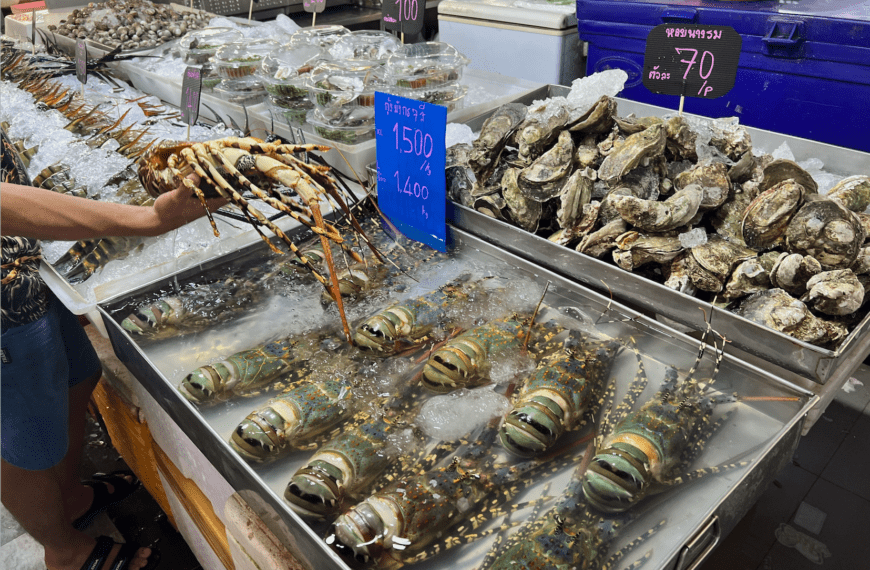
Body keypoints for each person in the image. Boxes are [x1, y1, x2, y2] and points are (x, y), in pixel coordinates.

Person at [1, 128, 226, 570]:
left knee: (78, 374)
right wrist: (149, 220)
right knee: (22, 437)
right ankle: (62, 550)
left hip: (23, 268)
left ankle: (68, 499)